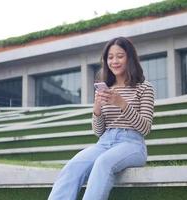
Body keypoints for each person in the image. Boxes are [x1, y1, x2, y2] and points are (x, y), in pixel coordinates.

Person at [48, 36, 155, 200]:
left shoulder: (144, 87)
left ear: (130, 58)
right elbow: (99, 132)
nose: (114, 61)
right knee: (73, 166)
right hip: (105, 141)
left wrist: (122, 104)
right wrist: (97, 108)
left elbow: (145, 128)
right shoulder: (106, 88)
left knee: (103, 163)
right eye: (110, 57)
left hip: (132, 144)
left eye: (120, 56)